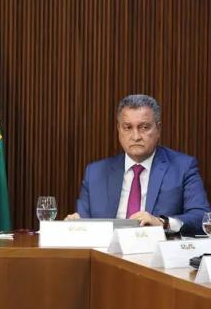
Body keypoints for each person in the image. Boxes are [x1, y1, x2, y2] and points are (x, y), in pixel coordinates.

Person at [66, 94, 210, 236]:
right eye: (127, 127)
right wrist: (75, 224)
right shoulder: (95, 173)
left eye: (144, 127)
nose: (136, 137)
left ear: (158, 129)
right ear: (119, 129)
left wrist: (163, 223)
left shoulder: (182, 167)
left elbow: (201, 217)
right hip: (105, 256)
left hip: (156, 253)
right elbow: (82, 222)